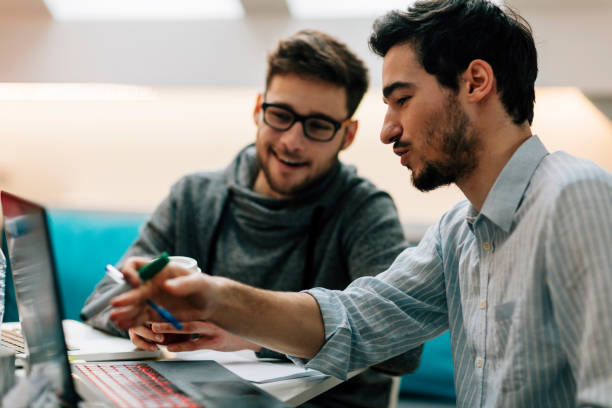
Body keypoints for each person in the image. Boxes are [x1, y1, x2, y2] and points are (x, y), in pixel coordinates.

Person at [109, 0, 612, 406]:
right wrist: (213, 297)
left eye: (402, 100)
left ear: (475, 82)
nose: (389, 129)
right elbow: (355, 320)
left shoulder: (575, 197)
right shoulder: (457, 231)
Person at [83, 29, 422, 408]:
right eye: (280, 115)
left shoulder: (365, 211)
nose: (293, 141)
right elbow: (102, 297)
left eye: (319, 125)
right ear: (258, 109)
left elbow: (402, 349)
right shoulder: (194, 196)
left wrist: (255, 335)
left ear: (347, 135)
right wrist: (141, 319)